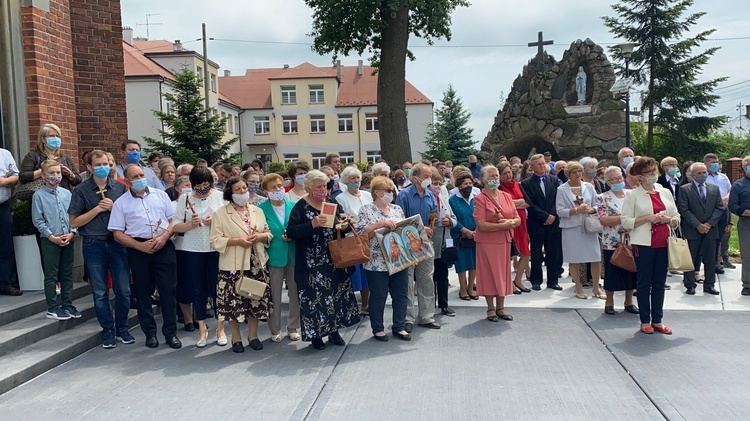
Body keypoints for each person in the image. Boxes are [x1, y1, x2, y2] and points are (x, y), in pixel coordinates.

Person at [109, 164, 181, 349]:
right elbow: (117, 233)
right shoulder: (121, 203)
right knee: (143, 293)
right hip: (138, 249)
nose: (140, 178)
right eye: (135, 176)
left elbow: (174, 221)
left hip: (163, 246)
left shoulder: (161, 195)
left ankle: (170, 333)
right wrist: (139, 246)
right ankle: (150, 333)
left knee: (168, 291)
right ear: (127, 181)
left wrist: (164, 237)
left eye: (142, 174)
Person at [286, 170, 361, 349]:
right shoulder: (301, 206)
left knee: (335, 295)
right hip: (312, 261)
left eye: (325, 187)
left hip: (333, 258)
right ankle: (317, 336)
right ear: (309, 188)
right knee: (315, 298)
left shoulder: (331, 202)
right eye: (318, 187)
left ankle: (334, 331)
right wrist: (312, 224)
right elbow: (291, 231)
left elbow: (343, 222)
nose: (323, 190)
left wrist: (344, 226)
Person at [68, 150, 133, 347]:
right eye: (98, 165)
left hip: (116, 241)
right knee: (99, 291)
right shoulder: (81, 190)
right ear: (89, 167)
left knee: (123, 290)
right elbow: (74, 221)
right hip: (93, 242)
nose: (104, 167)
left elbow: (130, 215)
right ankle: (108, 330)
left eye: (106, 163)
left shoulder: (120, 188)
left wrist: (115, 208)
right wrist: (97, 208)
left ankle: (122, 327)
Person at [209, 176, 272, 352]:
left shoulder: (256, 211)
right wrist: (236, 241)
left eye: (245, 188)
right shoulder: (221, 213)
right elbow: (214, 240)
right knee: (232, 303)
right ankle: (236, 339)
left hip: (256, 262)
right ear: (230, 192)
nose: (243, 192)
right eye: (238, 189)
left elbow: (267, 233)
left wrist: (261, 236)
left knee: (255, 300)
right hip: (233, 265)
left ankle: (253, 336)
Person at [621, 157, 680, 335]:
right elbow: (625, 221)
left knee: (660, 282)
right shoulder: (632, 195)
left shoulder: (664, 192)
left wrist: (668, 220)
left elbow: (676, 216)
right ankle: (645, 320)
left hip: (663, 241)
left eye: (655, 171)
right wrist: (648, 218)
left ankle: (658, 320)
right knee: (645, 282)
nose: (653, 175)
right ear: (639, 177)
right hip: (643, 243)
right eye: (648, 172)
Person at [172, 166, 226, 347]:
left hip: (215, 248)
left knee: (218, 288)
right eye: (199, 184)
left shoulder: (219, 196)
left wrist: (216, 221)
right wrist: (190, 224)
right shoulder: (185, 198)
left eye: (206, 184)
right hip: (193, 249)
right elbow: (175, 226)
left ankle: (220, 328)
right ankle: (202, 329)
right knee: (197, 289)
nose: (203, 187)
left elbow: (231, 221)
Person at [356, 176, 411, 341]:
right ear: (376, 192)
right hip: (376, 261)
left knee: (400, 293)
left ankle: (399, 326)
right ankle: (378, 328)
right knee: (379, 295)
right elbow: (361, 233)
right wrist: (380, 224)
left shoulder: (397, 209)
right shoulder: (366, 210)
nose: (391, 193)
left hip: (398, 258)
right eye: (387, 191)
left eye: (392, 190)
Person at [32, 160, 78, 320]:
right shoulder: (38, 195)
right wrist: (52, 237)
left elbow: (73, 215)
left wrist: (72, 232)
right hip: (50, 239)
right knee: (51, 274)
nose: (56, 176)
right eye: (52, 173)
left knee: (66, 273)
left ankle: (68, 303)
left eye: (58, 173)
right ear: (43, 175)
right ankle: (52, 306)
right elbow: (38, 220)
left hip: (68, 237)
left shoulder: (67, 193)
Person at [396, 163, 440, 331]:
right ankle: (407, 318)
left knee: (427, 280)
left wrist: (431, 228)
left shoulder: (429, 195)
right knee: (407, 282)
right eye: (426, 176)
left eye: (430, 176)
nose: (429, 179)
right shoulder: (404, 195)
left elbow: (433, 217)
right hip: (408, 244)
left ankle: (426, 316)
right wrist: (420, 230)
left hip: (426, 244)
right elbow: (400, 222)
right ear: (415, 178)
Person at [257, 173, 301, 343]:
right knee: (274, 293)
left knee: (295, 291)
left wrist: (293, 235)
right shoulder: (261, 209)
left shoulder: (293, 205)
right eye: (273, 187)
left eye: (280, 186)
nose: (277, 189)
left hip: (293, 253)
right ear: (266, 191)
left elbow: (298, 227)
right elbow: (260, 229)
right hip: (274, 255)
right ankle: (275, 328)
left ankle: (293, 325)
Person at [474, 165, 520, 322]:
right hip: (487, 243)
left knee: (502, 274)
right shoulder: (480, 199)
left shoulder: (506, 196)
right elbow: (481, 224)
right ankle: (490, 308)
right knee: (488, 274)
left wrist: (511, 222)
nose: (496, 179)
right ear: (484, 180)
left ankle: (501, 307)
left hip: (504, 241)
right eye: (492, 176)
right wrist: (502, 225)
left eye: (496, 176)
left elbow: (517, 217)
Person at [556, 161, 604, 300]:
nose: (578, 174)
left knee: (595, 257)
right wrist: (576, 210)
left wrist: (591, 209)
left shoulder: (588, 186)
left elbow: (597, 203)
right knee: (574, 258)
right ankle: (578, 286)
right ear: (568, 174)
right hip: (571, 228)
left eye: (579, 171)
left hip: (588, 226)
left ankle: (596, 287)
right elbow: (559, 210)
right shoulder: (561, 189)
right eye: (574, 172)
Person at [597, 166, 638, 315]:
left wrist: (630, 223)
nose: (618, 181)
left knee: (631, 269)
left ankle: (629, 301)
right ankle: (609, 302)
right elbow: (604, 220)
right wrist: (624, 220)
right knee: (612, 270)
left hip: (632, 238)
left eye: (620, 178)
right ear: (608, 182)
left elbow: (639, 214)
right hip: (612, 241)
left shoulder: (631, 194)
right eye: (614, 179)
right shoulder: (603, 198)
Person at [678, 163, 724, 296]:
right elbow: (684, 210)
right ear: (692, 175)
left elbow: (719, 207)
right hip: (693, 230)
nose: (703, 175)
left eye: (704, 172)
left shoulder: (714, 189)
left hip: (710, 230)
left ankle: (709, 285)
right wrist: (698, 225)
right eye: (699, 173)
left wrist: (709, 224)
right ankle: (690, 284)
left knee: (710, 259)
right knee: (691, 258)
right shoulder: (685, 189)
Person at [520, 154, 563, 291]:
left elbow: (558, 200)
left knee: (553, 253)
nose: (542, 166)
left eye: (543, 163)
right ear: (532, 167)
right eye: (538, 164)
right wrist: (544, 216)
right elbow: (529, 203)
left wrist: (551, 216)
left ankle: (553, 280)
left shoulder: (554, 180)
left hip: (553, 222)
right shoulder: (526, 184)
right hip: (536, 223)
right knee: (537, 253)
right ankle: (536, 280)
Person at [336, 166, 373, 315]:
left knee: (367, 275)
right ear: (346, 181)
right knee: (354, 276)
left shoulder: (367, 195)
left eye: (358, 178)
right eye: (352, 178)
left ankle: (366, 304)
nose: (356, 181)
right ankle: (349, 307)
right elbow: (341, 219)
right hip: (352, 240)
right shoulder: (340, 198)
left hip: (369, 238)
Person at [428, 166, 457, 317]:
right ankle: (429, 306)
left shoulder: (444, 200)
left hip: (444, 243)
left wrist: (449, 221)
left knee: (443, 276)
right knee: (429, 277)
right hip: (430, 244)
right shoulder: (426, 200)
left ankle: (444, 305)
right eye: (435, 183)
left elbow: (454, 219)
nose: (438, 186)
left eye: (440, 183)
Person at [497, 162, 531, 293]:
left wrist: (511, 203)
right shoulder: (499, 188)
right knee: (508, 255)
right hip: (509, 223)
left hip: (521, 223)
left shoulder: (518, 185)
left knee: (525, 253)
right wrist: (516, 203)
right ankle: (508, 281)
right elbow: (501, 205)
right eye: (504, 173)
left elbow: (528, 202)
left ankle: (518, 279)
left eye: (509, 172)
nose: (508, 175)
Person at [19, 123, 80, 192]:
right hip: (41, 197)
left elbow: (78, 181)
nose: (56, 139)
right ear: (43, 139)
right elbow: (23, 177)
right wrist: (45, 170)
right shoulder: (33, 156)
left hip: (62, 197)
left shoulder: (65, 158)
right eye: (52, 136)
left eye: (58, 136)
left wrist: (69, 174)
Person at [450, 172, 478, 300]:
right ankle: (462, 288)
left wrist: (476, 231)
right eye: (465, 184)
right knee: (462, 263)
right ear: (459, 186)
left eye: (470, 183)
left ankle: (471, 286)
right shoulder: (453, 200)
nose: (468, 186)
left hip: (476, 234)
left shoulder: (476, 198)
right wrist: (464, 230)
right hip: (460, 236)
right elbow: (452, 218)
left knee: (474, 263)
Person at [704, 153, 731, 276]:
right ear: (706, 163)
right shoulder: (703, 177)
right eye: (712, 162)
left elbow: (730, 190)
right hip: (709, 211)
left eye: (716, 162)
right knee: (709, 238)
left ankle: (716, 262)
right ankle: (709, 262)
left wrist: (725, 199)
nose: (715, 164)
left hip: (723, 211)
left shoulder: (723, 177)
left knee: (719, 237)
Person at [0, 147, 21, 296]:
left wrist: (4, 181)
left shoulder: (4, 154)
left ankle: (7, 284)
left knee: (5, 245)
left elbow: (16, 176)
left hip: (2, 205)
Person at [729, 155, 750, 296]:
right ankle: (747, 284)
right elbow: (732, 205)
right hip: (746, 222)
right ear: (743, 167)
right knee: (747, 255)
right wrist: (744, 212)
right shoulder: (738, 185)